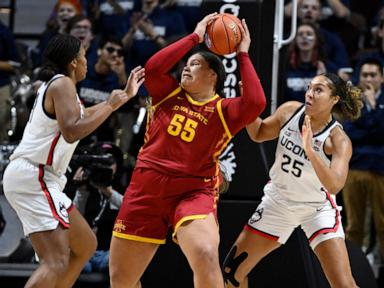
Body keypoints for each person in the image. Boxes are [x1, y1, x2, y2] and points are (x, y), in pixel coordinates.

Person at [109, 12, 267, 288]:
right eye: (186, 63)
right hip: (146, 188)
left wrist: (243, 54)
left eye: (194, 64)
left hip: (193, 190)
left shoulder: (224, 109)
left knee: (205, 253)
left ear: (212, 76)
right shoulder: (168, 92)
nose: (185, 67)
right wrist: (194, 37)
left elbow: (256, 102)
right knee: (122, 281)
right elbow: (154, 67)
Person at [2, 34, 144, 288]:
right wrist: (110, 106)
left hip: (39, 177)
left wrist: (121, 97)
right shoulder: (62, 85)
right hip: (34, 175)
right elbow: (72, 130)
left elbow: (83, 114)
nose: (87, 61)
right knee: (55, 261)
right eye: (83, 56)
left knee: (85, 245)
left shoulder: (61, 87)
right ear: (72, 62)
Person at [223, 73, 363, 288]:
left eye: (319, 90)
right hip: (278, 202)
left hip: (316, 209)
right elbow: (259, 133)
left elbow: (335, 185)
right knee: (230, 274)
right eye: (309, 87)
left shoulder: (338, 140)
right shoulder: (290, 110)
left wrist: (310, 150)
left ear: (334, 100)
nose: (310, 93)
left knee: (343, 284)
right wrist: (248, 104)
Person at [342, 58, 384, 267]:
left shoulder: (379, 99)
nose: (368, 79)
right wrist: (375, 123)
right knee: (354, 224)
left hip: (380, 169)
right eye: (364, 75)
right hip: (355, 168)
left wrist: (374, 107)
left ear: (381, 78)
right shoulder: (352, 100)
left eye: (373, 75)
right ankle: (352, 267)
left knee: (382, 223)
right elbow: (349, 134)